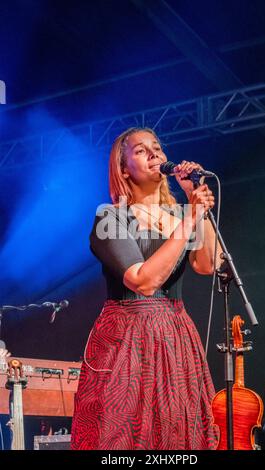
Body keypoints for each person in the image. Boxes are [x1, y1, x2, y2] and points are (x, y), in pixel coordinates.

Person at [71, 127, 222, 450]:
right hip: (126, 337)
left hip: (175, 336)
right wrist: (190, 218)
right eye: (141, 150)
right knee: (122, 432)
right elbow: (143, 281)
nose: (154, 153)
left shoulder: (182, 216)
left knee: (179, 431)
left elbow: (208, 264)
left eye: (157, 147)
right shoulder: (110, 218)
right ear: (124, 168)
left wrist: (199, 208)